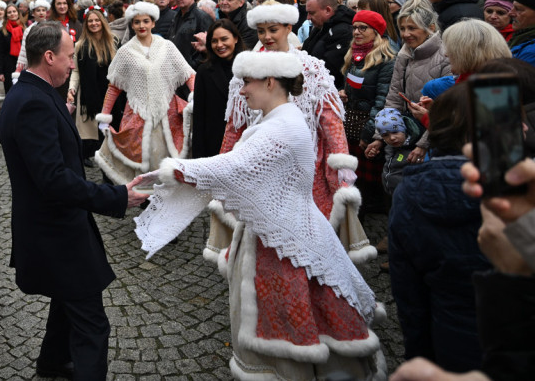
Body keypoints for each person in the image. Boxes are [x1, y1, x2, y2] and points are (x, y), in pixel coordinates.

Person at [135, 51, 385, 380]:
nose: (241, 91)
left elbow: (235, 167)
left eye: (247, 83)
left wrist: (173, 169)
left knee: (288, 323)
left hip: (285, 239)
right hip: (285, 228)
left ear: (270, 82)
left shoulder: (282, 125)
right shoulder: (279, 118)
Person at [0, 21, 148, 380]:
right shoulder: (32, 102)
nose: (71, 65)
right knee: (92, 324)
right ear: (48, 57)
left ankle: (52, 362)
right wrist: (117, 196)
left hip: (57, 228)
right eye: (68, 57)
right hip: (56, 232)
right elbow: (53, 180)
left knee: (68, 302)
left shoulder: (35, 93)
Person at [205, 1, 374, 266]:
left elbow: (330, 120)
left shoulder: (311, 68)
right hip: (260, 165)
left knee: (308, 231)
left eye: (273, 29)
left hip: (306, 164)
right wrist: (223, 162)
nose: (267, 37)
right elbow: (235, 125)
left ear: (288, 27)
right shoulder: (244, 71)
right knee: (264, 235)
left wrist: (341, 161)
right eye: (261, 31)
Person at [388, 83, 489, 372]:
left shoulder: (408, 193)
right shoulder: (517, 192)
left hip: (447, 340)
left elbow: (408, 293)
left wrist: (418, 355)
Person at [94, 1, 197, 185]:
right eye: (137, 22)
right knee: (142, 156)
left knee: (167, 157)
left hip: (168, 111)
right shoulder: (125, 52)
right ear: (132, 25)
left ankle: (166, 193)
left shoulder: (167, 47)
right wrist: (105, 116)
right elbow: (114, 86)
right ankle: (145, 197)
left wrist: (194, 95)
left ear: (153, 23)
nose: (142, 26)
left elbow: (188, 74)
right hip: (137, 111)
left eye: (145, 21)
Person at [364, 0, 453, 165]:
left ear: (430, 28)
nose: (405, 34)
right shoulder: (404, 54)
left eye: (412, 28)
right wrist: (380, 137)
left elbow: (446, 111)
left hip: (433, 143)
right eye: (402, 28)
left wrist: (423, 144)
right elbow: (393, 98)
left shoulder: (446, 57)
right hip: (401, 138)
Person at [340, 10, 398, 210]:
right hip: (351, 123)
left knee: (368, 184)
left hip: (367, 124)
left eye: (363, 28)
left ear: (376, 32)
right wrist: (345, 94)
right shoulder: (354, 54)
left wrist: (370, 132)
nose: (357, 32)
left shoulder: (386, 59)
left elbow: (383, 100)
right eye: (354, 27)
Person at [67, 6, 118, 168]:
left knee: (111, 130)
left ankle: (111, 160)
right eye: (90, 21)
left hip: (112, 93)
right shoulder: (80, 45)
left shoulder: (114, 41)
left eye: (97, 20)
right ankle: (92, 158)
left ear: (102, 22)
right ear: (86, 24)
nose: (94, 23)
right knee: (92, 133)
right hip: (90, 95)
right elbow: (75, 71)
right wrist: (71, 88)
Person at [187, 19, 246, 160]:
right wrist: (198, 158)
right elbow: (199, 115)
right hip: (214, 143)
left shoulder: (248, 67)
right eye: (214, 41)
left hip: (244, 142)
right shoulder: (204, 71)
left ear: (236, 39)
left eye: (224, 39)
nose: (219, 45)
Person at [302, 0, 355, 89]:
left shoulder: (342, 32)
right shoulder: (321, 27)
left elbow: (330, 69)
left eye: (312, 13)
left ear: (328, 10)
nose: (308, 18)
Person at [168, 0, 214, 69]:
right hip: (177, 67)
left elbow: (209, 45)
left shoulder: (202, 16)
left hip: (193, 69)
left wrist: (194, 64)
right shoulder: (176, 16)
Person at [0, 4, 24, 93]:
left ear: (18, 13)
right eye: (9, 12)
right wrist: (0, 72)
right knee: (10, 93)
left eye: (14, 11)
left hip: (23, 65)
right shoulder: (2, 31)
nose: (12, 14)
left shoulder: (24, 28)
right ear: (6, 15)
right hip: (8, 68)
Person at [509, 0, 535, 66]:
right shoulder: (520, 38)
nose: (510, 13)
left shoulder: (531, 53)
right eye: (512, 7)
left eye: (518, 9)